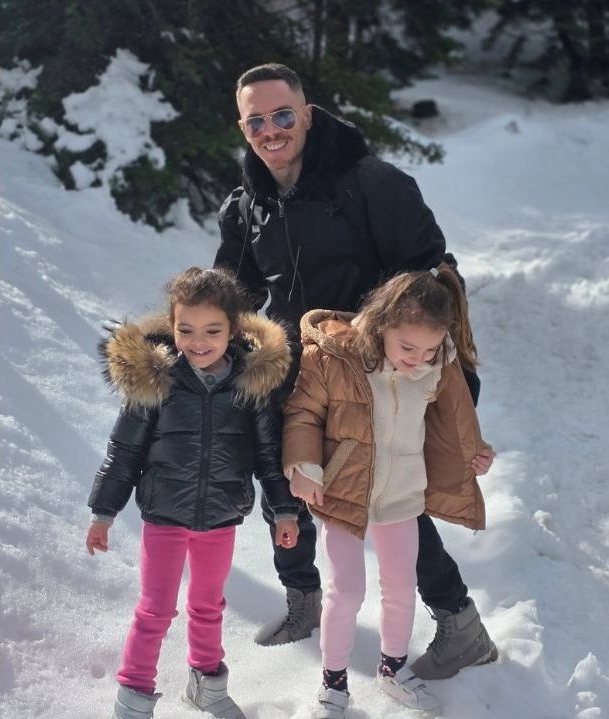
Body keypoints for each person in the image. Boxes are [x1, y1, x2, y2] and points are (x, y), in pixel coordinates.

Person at [214, 62, 497, 680]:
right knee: (283, 484)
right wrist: (187, 346)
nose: (271, 130)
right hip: (297, 371)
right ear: (243, 128)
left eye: (282, 115)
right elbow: (233, 294)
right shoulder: (246, 206)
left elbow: (431, 280)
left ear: (307, 115)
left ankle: (460, 624)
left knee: (392, 502)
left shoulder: (373, 184)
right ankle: (303, 600)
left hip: (374, 376)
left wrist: (447, 379)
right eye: (256, 121)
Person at [86, 267, 303, 719]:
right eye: (185, 330)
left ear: (234, 330)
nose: (197, 342)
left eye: (212, 331)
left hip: (220, 518)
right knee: (155, 610)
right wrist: (103, 513)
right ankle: (133, 699)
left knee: (208, 606)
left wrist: (285, 510)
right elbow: (124, 451)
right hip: (164, 515)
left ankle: (206, 686)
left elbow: (268, 456)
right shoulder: (157, 381)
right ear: (172, 325)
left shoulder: (250, 386)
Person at [281, 265, 495, 718]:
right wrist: (304, 467)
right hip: (343, 493)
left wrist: (475, 454)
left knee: (401, 587)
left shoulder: (438, 366)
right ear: (381, 326)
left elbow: (455, 425)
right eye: (408, 347)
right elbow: (303, 413)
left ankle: (392, 669)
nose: (418, 358)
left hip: (403, 495)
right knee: (346, 592)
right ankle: (333, 682)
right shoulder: (335, 358)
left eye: (429, 348)